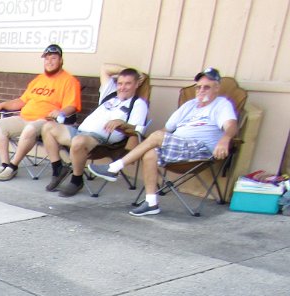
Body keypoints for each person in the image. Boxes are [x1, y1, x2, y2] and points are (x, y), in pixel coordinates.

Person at [88, 67, 238, 216]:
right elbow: (167, 129)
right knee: (150, 153)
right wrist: (150, 143)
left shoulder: (221, 104)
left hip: (200, 149)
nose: (201, 90)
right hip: (178, 146)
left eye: (207, 87)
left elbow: (231, 125)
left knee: (157, 136)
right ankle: (151, 203)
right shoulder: (189, 105)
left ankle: (114, 168)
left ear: (217, 88)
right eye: (199, 87)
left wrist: (225, 139)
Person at [42, 65, 148, 197]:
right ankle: (58, 168)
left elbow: (137, 130)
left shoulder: (138, 104)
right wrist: (135, 72)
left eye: (128, 83)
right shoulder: (110, 93)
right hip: (79, 131)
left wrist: (122, 123)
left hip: (99, 139)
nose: (122, 87)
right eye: (120, 83)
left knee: (78, 141)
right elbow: (104, 68)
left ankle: (76, 180)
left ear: (137, 84)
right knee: (48, 127)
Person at [0, 44, 81, 181]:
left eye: (53, 58)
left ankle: (13, 166)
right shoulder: (38, 80)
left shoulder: (70, 81)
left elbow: (72, 106)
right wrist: (2, 105)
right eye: (46, 59)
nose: (49, 61)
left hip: (46, 121)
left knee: (29, 129)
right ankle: (4, 164)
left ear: (61, 60)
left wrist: (60, 112)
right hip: (24, 118)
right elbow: (21, 101)